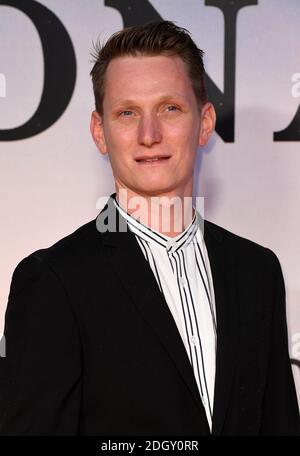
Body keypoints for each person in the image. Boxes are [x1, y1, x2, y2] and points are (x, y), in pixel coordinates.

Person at [0, 21, 299, 436]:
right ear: (100, 132)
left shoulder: (257, 271)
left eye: (169, 108)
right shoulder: (54, 281)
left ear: (206, 121)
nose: (149, 135)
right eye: (127, 113)